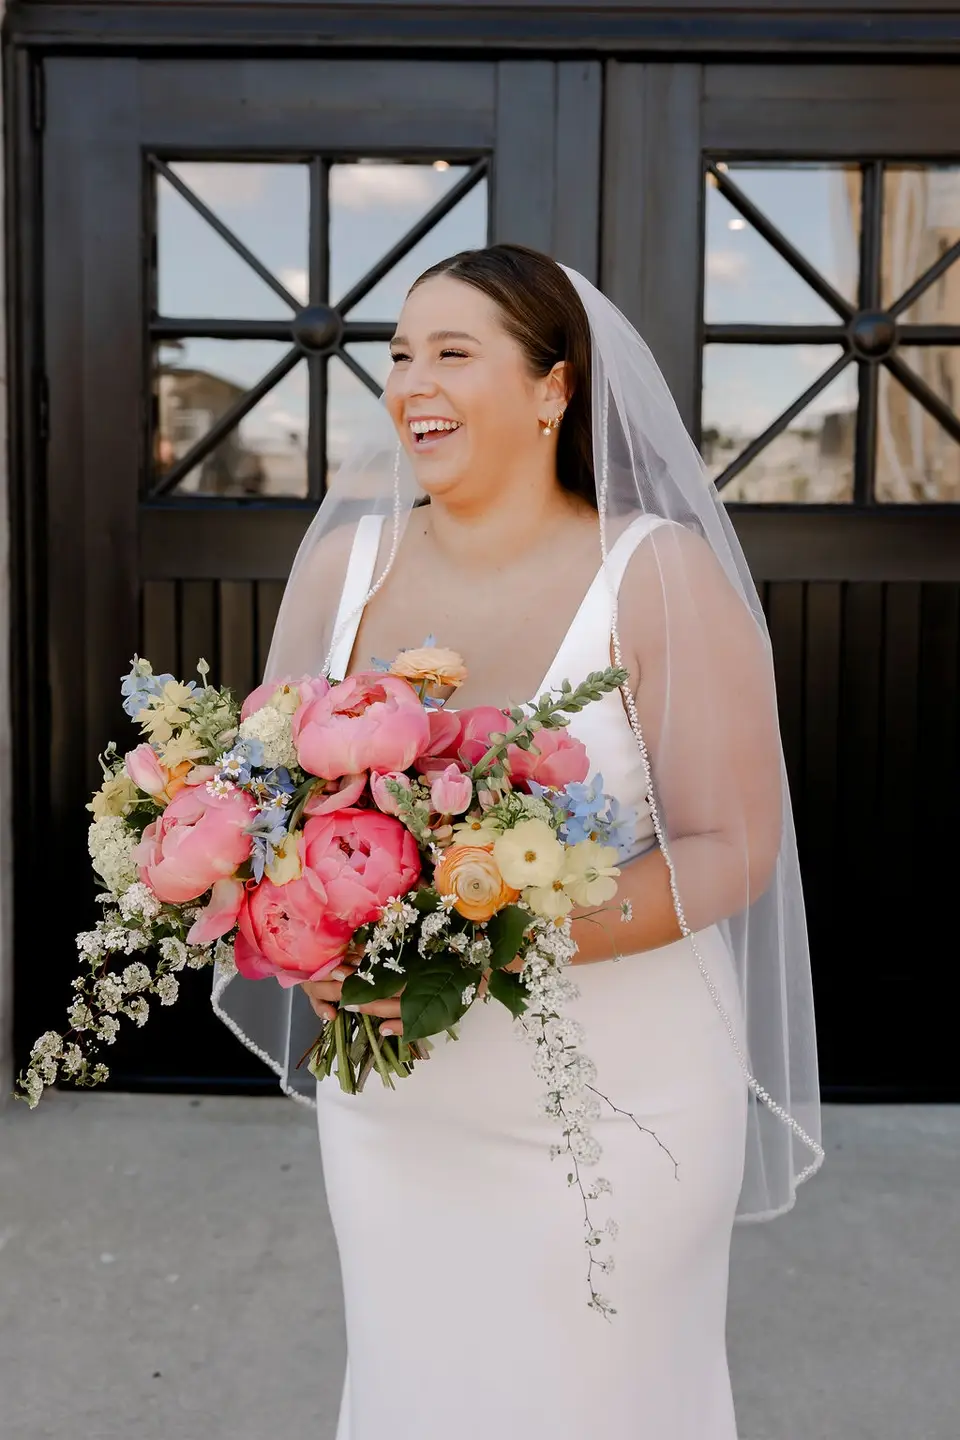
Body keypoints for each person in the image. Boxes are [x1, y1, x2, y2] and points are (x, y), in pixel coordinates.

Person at [213, 244, 823, 1438]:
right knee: (417, 1387)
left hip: (616, 1103)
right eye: (397, 356)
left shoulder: (656, 577)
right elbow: (264, 810)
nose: (411, 383)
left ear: (554, 389)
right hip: (402, 1111)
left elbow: (729, 843)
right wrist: (307, 933)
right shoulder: (344, 570)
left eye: (453, 353)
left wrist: (481, 945)